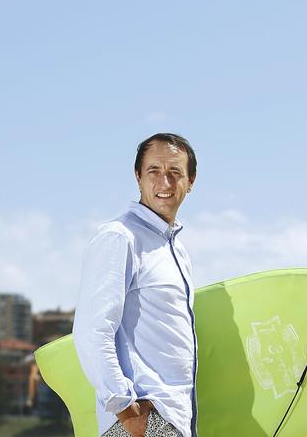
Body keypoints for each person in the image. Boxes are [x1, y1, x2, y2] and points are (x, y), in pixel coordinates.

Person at [73, 133, 198, 437]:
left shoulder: (177, 251)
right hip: (144, 418)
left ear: (190, 181)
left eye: (174, 173)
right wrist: (125, 410)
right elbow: (92, 330)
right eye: (154, 171)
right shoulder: (120, 237)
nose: (164, 183)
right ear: (138, 177)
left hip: (175, 418)